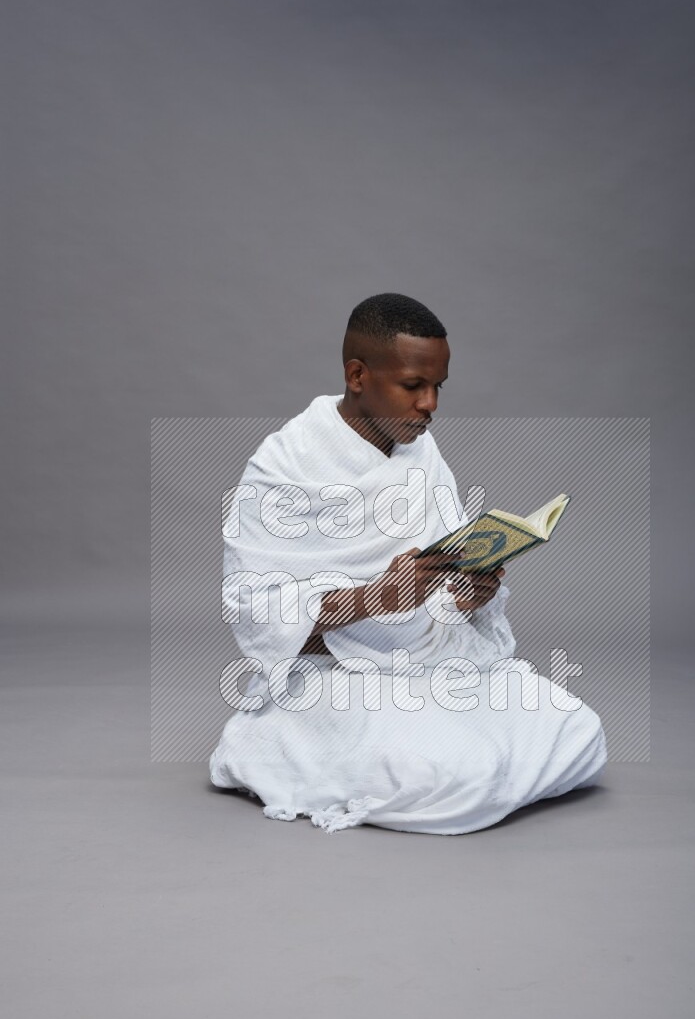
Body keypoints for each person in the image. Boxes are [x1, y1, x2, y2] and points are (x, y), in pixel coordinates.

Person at [209, 293, 607, 833]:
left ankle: (446, 745)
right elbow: (258, 615)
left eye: (438, 387)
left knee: (577, 729)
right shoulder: (283, 465)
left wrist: (471, 595)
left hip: (426, 655)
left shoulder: (420, 449)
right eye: (414, 386)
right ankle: (271, 740)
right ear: (357, 374)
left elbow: (440, 570)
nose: (430, 406)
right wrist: (375, 598)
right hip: (332, 670)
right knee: (456, 775)